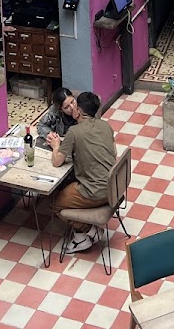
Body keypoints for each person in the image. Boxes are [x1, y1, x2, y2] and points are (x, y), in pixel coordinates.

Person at [48, 91, 115, 254]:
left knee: (55, 204)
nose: (72, 108)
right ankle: (84, 232)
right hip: (114, 186)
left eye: (74, 105)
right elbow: (113, 152)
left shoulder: (74, 132)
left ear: (78, 112)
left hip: (95, 191)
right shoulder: (106, 125)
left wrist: (56, 145)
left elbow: (57, 162)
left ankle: (87, 232)